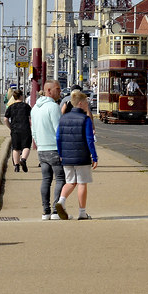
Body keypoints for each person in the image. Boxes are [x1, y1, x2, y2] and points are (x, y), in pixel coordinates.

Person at [55, 90, 98, 220]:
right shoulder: (85, 119)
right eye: (86, 102)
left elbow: (58, 137)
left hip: (66, 156)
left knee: (70, 181)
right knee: (82, 183)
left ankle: (61, 201)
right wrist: (94, 157)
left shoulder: (63, 118)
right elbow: (90, 139)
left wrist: (61, 153)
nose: (87, 104)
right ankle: (82, 212)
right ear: (80, 103)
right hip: (82, 156)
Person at [33, 81, 66, 220]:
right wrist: (62, 150)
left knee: (46, 179)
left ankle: (45, 211)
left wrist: (39, 144)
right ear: (48, 90)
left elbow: (33, 131)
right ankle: (55, 211)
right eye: (57, 89)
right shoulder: (53, 107)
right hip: (54, 148)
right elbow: (58, 130)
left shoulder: (35, 108)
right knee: (60, 179)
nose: (60, 92)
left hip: (42, 149)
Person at [3, 88, 32, 172]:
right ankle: (23, 159)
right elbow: (31, 116)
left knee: (16, 148)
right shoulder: (26, 106)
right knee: (26, 146)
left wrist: (10, 127)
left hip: (15, 129)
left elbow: (5, 119)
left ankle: (16, 166)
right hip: (25, 128)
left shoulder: (11, 107)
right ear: (21, 96)